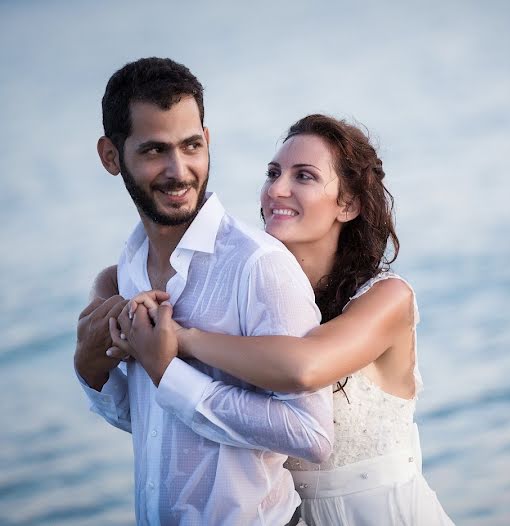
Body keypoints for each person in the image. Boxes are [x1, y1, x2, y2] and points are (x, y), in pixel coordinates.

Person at [113, 114, 455, 525]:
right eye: (273, 173)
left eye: (304, 176)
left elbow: (305, 367)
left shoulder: (387, 298)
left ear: (348, 204)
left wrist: (181, 341)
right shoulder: (261, 294)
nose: (277, 189)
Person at [74, 57, 334, 526]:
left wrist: (169, 371)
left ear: (207, 141)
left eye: (191, 145)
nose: (179, 170)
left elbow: (311, 434)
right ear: (111, 157)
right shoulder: (129, 267)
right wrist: (91, 371)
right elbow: (149, 420)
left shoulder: (259, 266)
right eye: (154, 151)